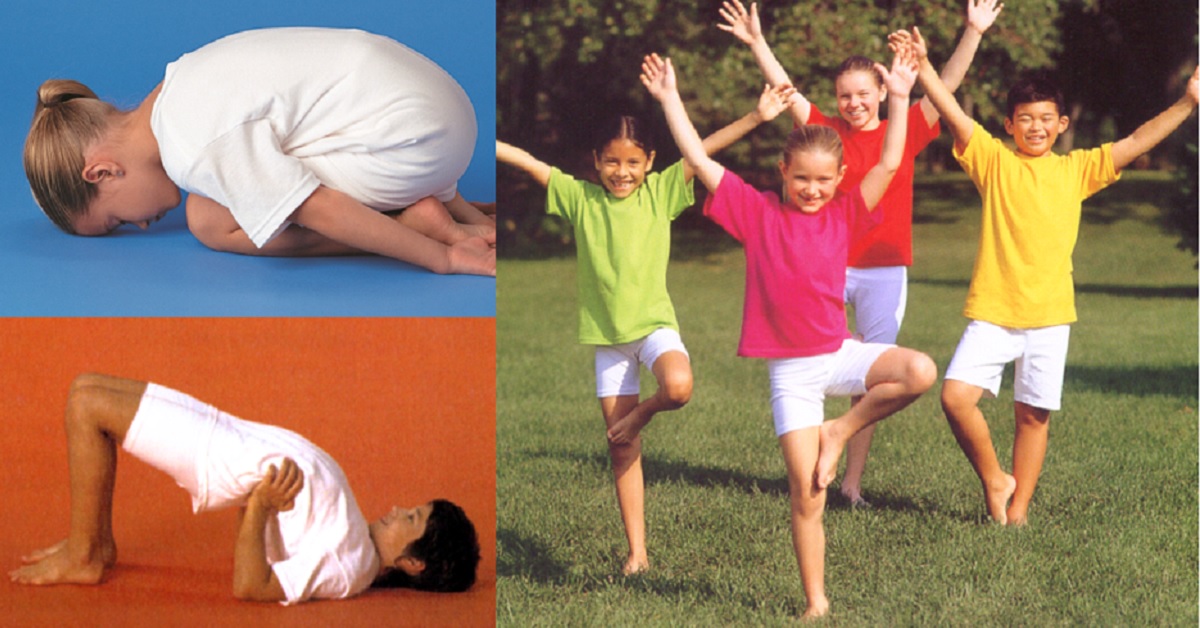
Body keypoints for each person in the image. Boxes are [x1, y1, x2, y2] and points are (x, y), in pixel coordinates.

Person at [643, 46, 935, 618]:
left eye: (824, 180)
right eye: (801, 179)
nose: (812, 189)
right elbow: (699, 162)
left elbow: (890, 163)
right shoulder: (756, 215)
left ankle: (840, 431)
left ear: (839, 179)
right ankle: (816, 603)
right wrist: (669, 99)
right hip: (793, 376)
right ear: (783, 173)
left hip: (838, 354)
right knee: (808, 497)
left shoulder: (845, 214)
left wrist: (899, 96)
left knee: (919, 370)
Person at [897, 27, 1200, 525]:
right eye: (1024, 120)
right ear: (1008, 125)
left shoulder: (1077, 169)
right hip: (993, 312)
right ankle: (995, 478)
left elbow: (1137, 140)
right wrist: (926, 67)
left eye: (1044, 119)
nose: (1034, 128)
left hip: (1050, 317)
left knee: (1033, 416)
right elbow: (951, 113)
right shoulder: (993, 161)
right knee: (955, 397)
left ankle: (1017, 512)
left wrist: (1188, 102)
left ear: (1060, 124)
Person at [496, 80, 795, 575]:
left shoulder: (662, 192)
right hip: (607, 342)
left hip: (654, 326)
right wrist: (485, 141)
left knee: (678, 387)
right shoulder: (580, 199)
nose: (622, 172)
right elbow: (529, 162)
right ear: (596, 162)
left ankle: (637, 419)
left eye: (633, 162)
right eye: (612, 162)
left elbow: (703, 152)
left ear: (650, 162)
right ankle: (637, 553)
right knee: (621, 453)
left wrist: (757, 118)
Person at [718, 0, 1003, 507]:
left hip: (884, 269)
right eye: (845, 96)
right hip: (828, 267)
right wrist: (758, 42)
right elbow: (788, 97)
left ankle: (850, 480)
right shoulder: (827, 135)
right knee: (839, 363)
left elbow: (948, 87)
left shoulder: (907, 124)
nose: (853, 104)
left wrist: (973, 32)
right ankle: (823, 448)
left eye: (863, 94)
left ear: (881, 91)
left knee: (873, 379)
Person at [24, 27, 496, 276]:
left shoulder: (193, 146)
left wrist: (442, 259)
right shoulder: (181, 79)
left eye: (119, 221)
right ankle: (452, 208)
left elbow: (319, 209)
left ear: (102, 172)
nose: (144, 225)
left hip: (414, 141)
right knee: (261, 166)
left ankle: (415, 221)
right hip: (436, 107)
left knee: (209, 219)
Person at [8, 373, 481, 603]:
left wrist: (258, 506)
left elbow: (250, 586)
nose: (398, 509)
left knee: (86, 409)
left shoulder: (350, 568)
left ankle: (86, 554)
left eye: (412, 518)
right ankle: (98, 543)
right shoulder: (353, 536)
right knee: (83, 386)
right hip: (223, 429)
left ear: (413, 563)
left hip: (211, 454)